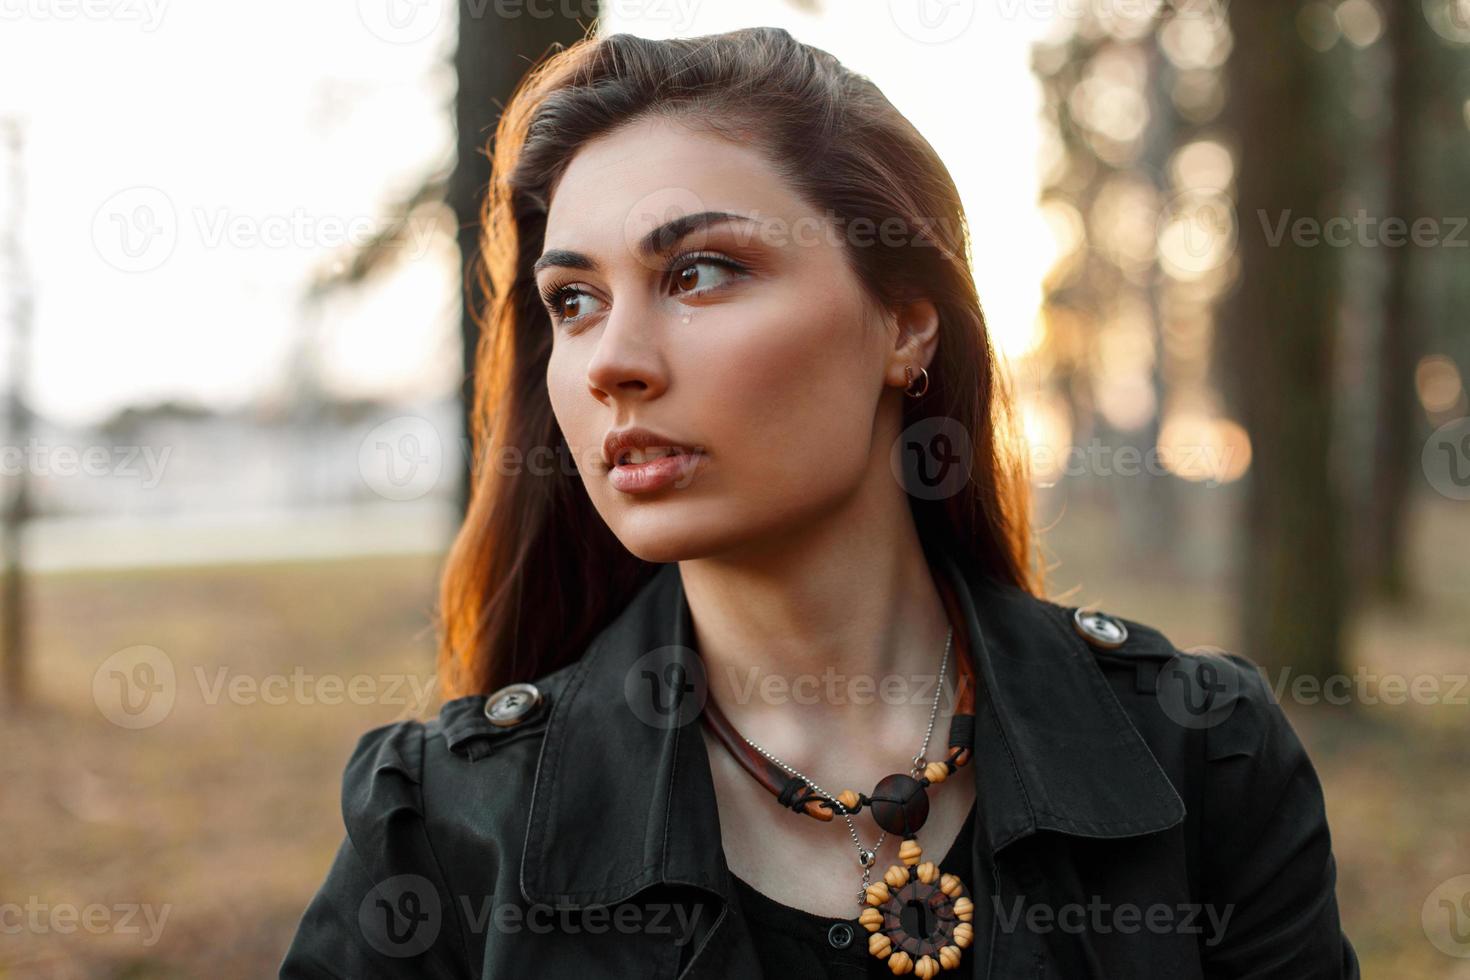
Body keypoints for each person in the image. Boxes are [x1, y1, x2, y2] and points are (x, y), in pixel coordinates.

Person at [280, 26, 1359, 979]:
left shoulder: (1198, 755)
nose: (612, 360)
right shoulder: (444, 826)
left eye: (700, 272)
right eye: (574, 299)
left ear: (904, 324)